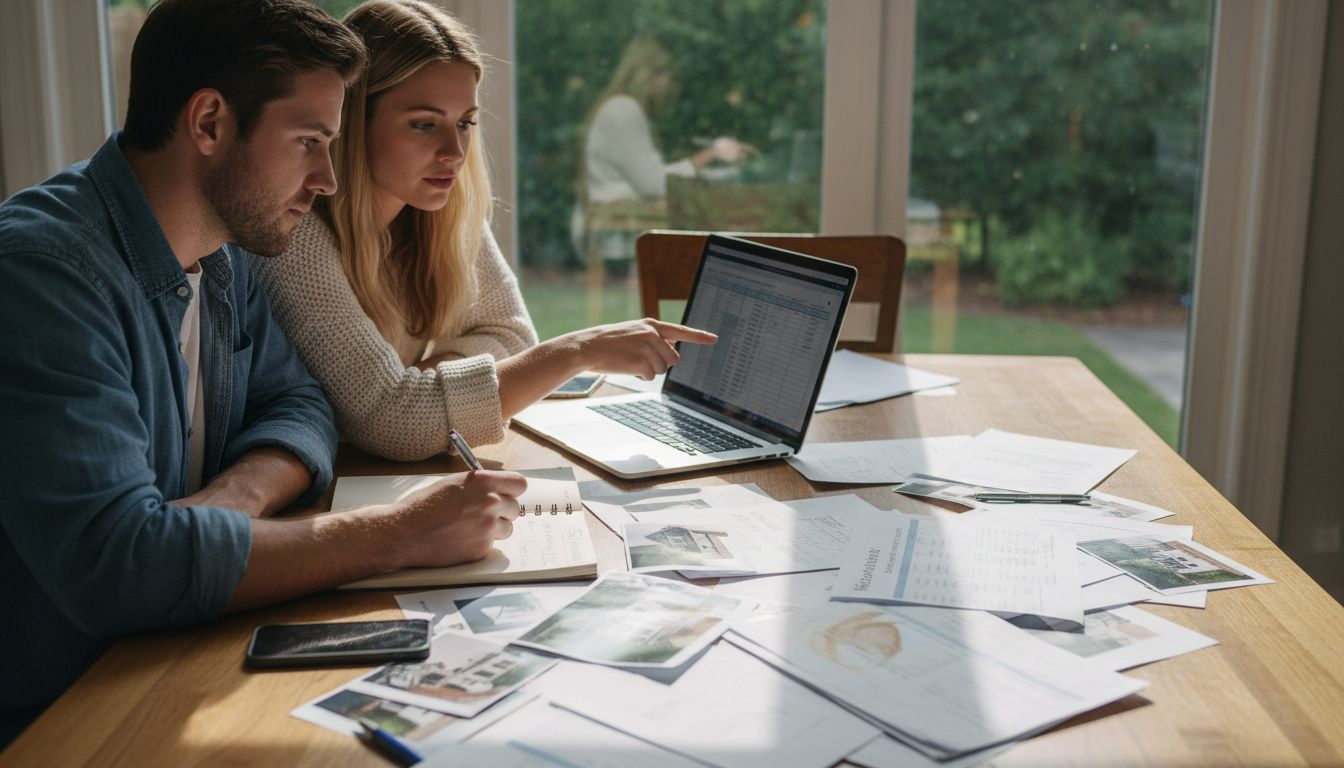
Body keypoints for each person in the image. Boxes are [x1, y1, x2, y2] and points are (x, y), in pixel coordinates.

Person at [0, 0, 525, 746]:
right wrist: (396, 535)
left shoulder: (225, 251)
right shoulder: (43, 275)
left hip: (172, 651)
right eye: (308, 141)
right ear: (210, 123)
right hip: (61, 711)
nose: (328, 180)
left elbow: (298, 401)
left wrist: (233, 497)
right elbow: (120, 567)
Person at [253, 0, 718, 463]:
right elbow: (394, 422)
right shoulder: (298, 237)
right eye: (423, 124)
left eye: (465, 123)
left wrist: (432, 383)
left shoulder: (442, 209)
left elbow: (512, 335)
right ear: (351, 120)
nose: (454, 151)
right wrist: (577, 351)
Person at [574, 35, 755, 268]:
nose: (673, 86)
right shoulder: (623, 110)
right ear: (650, 74)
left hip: (622, 222)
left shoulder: (624, 108)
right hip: (615, 232)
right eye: (671, 76)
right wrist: (711, 154)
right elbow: (654, 185)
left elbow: (652, 176)